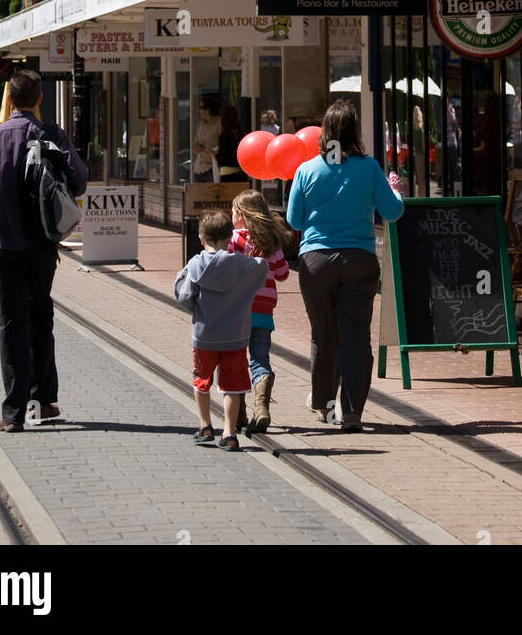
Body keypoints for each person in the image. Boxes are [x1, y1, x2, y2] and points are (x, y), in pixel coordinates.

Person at [0, 69, 87, 433]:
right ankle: (45, 400)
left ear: (10, 100)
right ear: (39, 98)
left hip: (3, 245)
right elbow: (80, 180)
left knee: (12, 323)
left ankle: (13, 412)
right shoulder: (54, 134)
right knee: (41, 315)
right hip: (44, 244)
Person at [287, 99, 406, 433]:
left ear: (324, 133)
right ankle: (352, 412)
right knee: (355, 338)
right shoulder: (368, 169)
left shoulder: (307, 170)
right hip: (359, 259)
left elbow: (294, 219)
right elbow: (392, 213)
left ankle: (323, 403)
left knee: (324, 335)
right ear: (354, 131)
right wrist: (396, 193)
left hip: (316, 262)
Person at [174, 210, 268, 452]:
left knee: (201, 381)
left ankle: (205, 425)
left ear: (202, 239)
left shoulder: (196, 264)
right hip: (236, 336)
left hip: (204, 335)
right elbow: (263, 267)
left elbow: (183, 294)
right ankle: (229, 432)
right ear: (230, 238)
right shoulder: (242, 264)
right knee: (232, 386)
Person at [229, 191, 290, 434]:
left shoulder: (233, 240)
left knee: (235, 360)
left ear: (241, 216)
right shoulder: (271, 242)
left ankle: (239, 413)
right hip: (263, 312)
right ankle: (261, 407)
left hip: (236, 311)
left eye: (233, 212)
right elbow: (283, 274)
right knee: (259, 359)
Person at [192, 95, 221, 182]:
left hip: (211, 169)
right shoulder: (201, 124)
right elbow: (195, 143)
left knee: (211, 195)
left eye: (200, 107)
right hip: (198, 169)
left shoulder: (219, 123)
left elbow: (221, 147)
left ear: (208, 109)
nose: (198, 110)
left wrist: (204, 149)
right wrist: (195, 147)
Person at [216, 105, 245, 184]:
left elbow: (223, 160)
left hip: (227, 175)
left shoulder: (224, 137)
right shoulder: (241, 134)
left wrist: (214, 154)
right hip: (241, 175)